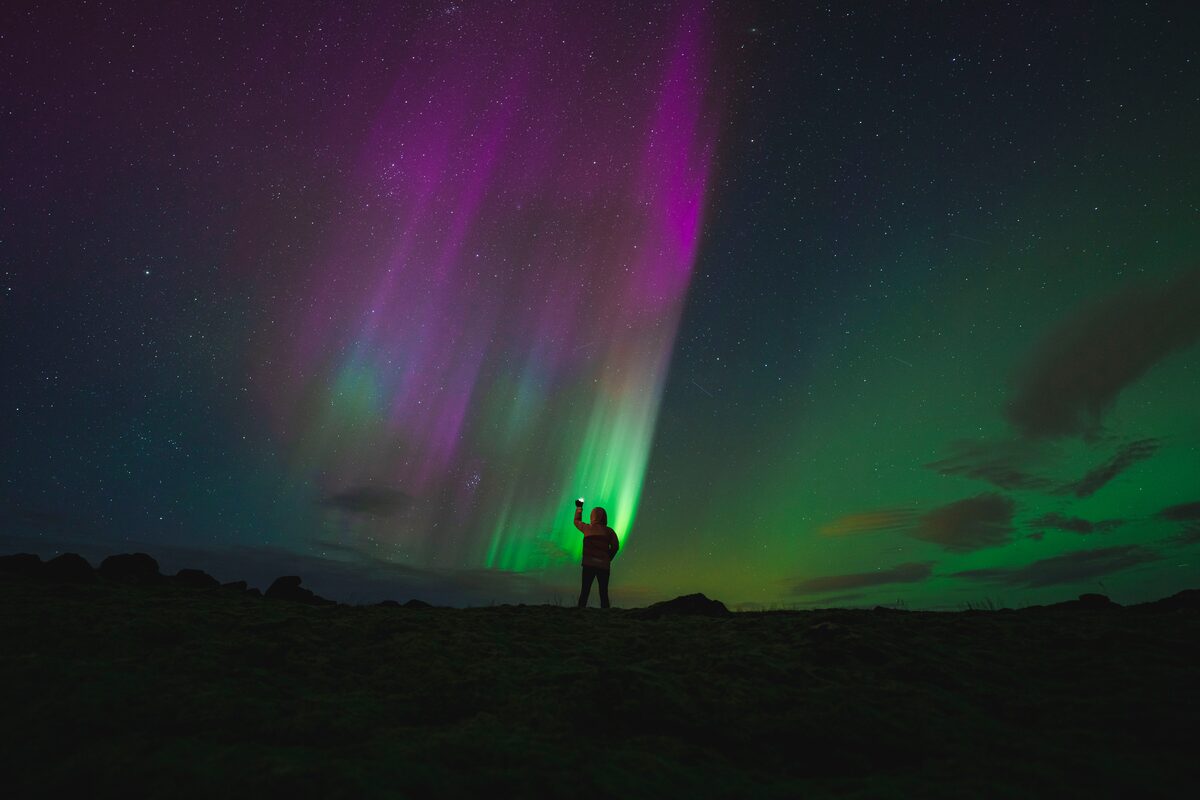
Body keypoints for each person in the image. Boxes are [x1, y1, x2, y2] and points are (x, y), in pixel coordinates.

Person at [574, 498, 619, 608]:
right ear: (604, 517)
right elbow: (615, 547)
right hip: (603, 566)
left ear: (592, 516)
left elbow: (576, 522)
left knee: (585, 590)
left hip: (588, 564)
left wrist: (579, 508)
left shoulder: (587, 528)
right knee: (603, 592)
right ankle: (606, 615)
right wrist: (608, 558)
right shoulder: (609, 531)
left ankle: (580, 612)